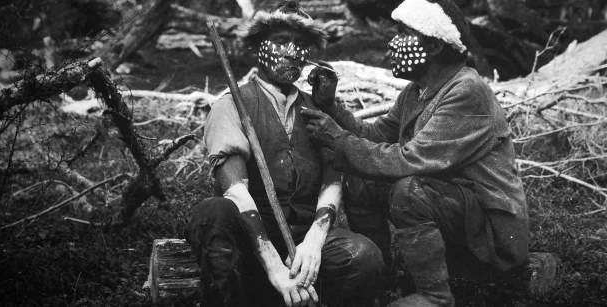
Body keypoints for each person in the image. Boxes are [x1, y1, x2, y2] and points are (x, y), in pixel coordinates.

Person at [302, 0, 530, 306]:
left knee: (408, 191)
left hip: (489, 227)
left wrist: (336, 137)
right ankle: (384, 274)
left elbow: (408, 159)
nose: (393, 41)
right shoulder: (417, 90)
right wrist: (332, 107)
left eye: (402, 32)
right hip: (455, 206)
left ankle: (435, 296)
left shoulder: (466, 90)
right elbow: (375, 135)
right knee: (361, 180)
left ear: (435, 46)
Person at [188, 1, 384, 306]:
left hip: (304, 240)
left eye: (301, 44)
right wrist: (275, 267)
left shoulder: (317, 108)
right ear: (257, 47)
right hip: (252, 241)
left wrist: (315, 242)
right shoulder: (231, 105)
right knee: (214, 212)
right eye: (280, 42)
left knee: (363, 256)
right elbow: (236, 192)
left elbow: (333, 180)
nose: (292, 52)